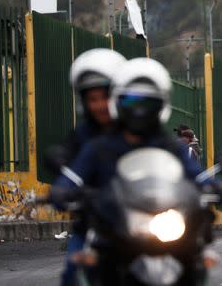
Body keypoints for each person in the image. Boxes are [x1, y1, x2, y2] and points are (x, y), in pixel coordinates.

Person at [52, 57, 212, 206]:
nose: (139, 111)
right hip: (105, 221)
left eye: (148, 103)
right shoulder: (97, 146)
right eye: (130, 101)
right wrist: (62, 189)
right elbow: (73, 176)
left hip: (156, 214)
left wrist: (218, 186)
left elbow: (195, 173)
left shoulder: (167, 144)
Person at [57, 48, 125, 286]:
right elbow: (70, 170)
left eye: (105, 96)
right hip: (94, 225)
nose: (100, 105)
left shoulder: (139, 129)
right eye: (92, 99)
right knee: (73, 271)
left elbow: (171, 158)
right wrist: (62, 189)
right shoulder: (84, 138)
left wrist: (202, 182)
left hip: (140, 220)